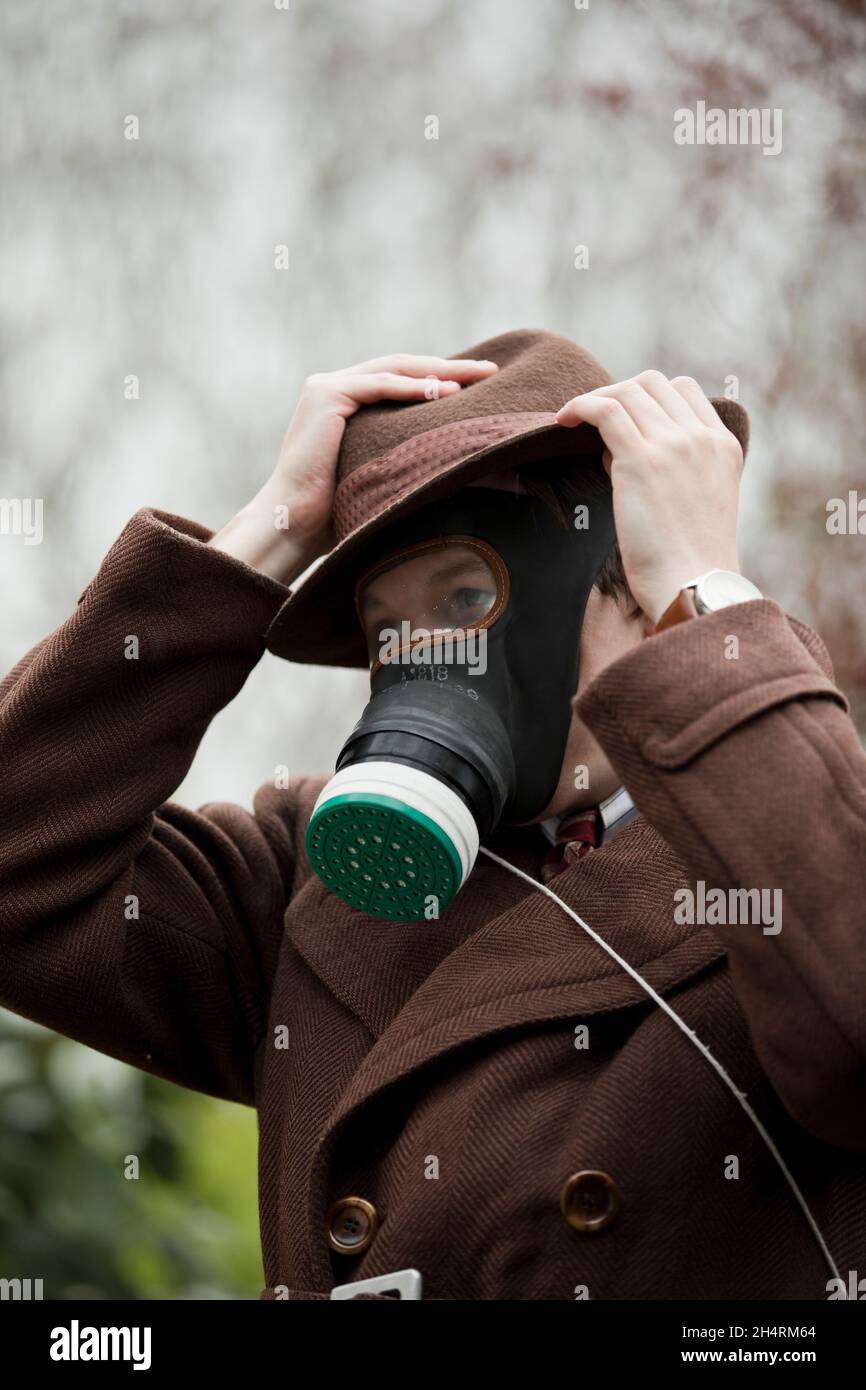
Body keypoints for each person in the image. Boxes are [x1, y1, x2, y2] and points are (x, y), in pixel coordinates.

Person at [1, 328, 863, 1301]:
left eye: (464, 596)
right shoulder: (308, 888)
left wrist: (707, 606)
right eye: (387, 630)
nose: (426, 658)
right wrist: (258, 540)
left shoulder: (779, 836)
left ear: (624, 567)